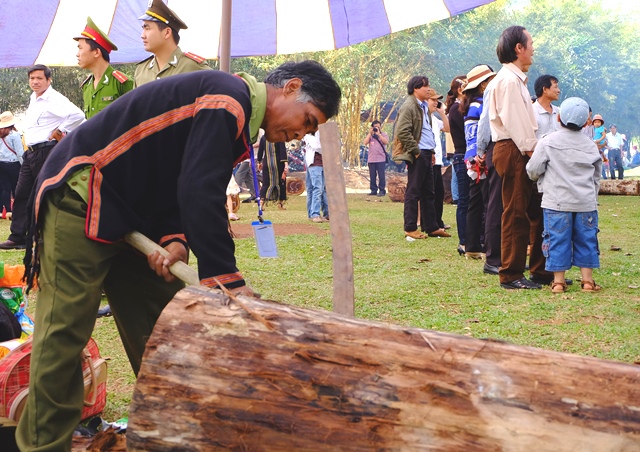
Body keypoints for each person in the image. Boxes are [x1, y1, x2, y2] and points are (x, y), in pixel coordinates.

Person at [15, 60, 341, 450]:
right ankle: (42, 446)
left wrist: (176, 239)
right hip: (80, 192)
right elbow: (198, 190)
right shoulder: (229, 99)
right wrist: (224, 278)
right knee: (63, 335)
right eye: (307, 120)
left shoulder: (234, 114)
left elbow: (175, 174)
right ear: (291, 87)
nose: (300, 134)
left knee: (161, 329)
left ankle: (175, 437)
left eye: (309, 130)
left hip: (131, 210)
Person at [0, 64, 85, 250]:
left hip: (47, 151)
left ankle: (48, 235)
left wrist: (60, 130)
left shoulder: (54, 98)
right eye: (32, 78)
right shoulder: (34, 98)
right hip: (30, 152)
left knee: (47, 193)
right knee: (21, 193)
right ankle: (18, 237)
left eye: (39, 78)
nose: (35, 82)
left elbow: (78, 115)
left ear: (49, 80)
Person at [526, 97, 602, 293]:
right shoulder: (591, 146)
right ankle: (587, 281)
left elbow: (533, 169)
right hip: (585, 203)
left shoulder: (547, 142)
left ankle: (558, 282)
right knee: (587, 239)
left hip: (556, 202)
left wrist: (541, 178)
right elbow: (596, 177)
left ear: (558, 118)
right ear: (587, 122)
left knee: (557, 239)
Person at [489, 25, 542, 290]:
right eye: (530, 43)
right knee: (516, 212)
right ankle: (510, 273)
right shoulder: (509, 81)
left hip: (518, 149)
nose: (533, 48)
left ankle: (540, 270)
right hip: (515, 149)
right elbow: (517, 124)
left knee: (535, 211)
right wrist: (535, 155)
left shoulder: (514, 79)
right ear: (518, 48)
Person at [392, 76, 450, 240]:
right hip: (418, 153)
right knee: (414, 190)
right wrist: (416, 151)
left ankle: (431, 226)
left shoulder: (423, 106)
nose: (429, 89)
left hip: (427, 152)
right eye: (426, 86)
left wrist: (431, 152)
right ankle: (410, 227)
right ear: (416, 88)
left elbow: (426, 132)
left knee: (428, 191)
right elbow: (402, 131)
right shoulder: (409, 106)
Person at [527, 74, 561, 286]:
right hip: (536, 172)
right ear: (544, 89)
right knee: (536, 221)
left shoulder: (559, 113)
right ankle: (538, 270)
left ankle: (550, 269)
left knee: (553, 221)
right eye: (555, 86)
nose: (558, 90)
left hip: (556, 174)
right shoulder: (531, 112)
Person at [460, 64, 496, 260]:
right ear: (483, 84)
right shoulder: (479, 104)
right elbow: (476, 133)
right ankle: (479, 244)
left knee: (476, 201)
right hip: (479, 157)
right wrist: (480, 155)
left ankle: (472, 245)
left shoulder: (472, 103)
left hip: (472, 156)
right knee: (484, 202)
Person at [134, 0, 211, 87]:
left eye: (147, 28)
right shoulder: (141, 71)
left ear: (167, 33)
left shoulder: (193, 67)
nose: (142, 35)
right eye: (143, 29)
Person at [74, 17, 134, 119]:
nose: (77, 54)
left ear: (96, 52)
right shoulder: (87, 86)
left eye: (80, 48)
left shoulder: (121, 83)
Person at [446, 75, 469, 253]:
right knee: (464, 200)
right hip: (462, 156)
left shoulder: (461, 108)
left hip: (464, 155)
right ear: (461, 90)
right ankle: (463, 241)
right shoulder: (456, 109)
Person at [427, 89, 450, 231]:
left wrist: (442, 113)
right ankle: (429, 222)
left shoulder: (434, 119)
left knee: (439, 192)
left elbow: (447, 128)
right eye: (433, 100)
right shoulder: (423, 118)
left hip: (438, 160)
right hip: (428, 159)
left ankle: (438, 220)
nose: (436, 103)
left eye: (437, 100)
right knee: (430, 192)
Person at [0, 111, 24, 220]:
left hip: (1, 163)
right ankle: (16, 211)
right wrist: (23, 164)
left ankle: (6, 211)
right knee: (16, 187)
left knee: (5, 188)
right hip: (13, 164)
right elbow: (19, 152)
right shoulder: (14, 135)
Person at [304, 130, 329, 223]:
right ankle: (314, 214)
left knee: (323, 189)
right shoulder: (309, 135)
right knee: (317, 189)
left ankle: (325, 214)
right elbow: (318, 147)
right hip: (314, 164)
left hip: (323, 164)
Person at [257, 136, 288, 209]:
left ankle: (261, 204)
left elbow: (260, 150)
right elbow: (282, 151)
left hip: (267, 164)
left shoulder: (264, 137)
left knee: (266, 184)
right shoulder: (280, 137)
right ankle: (280, 204)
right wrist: (286, 164)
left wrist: (259, 162)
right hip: (278, 163)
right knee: (281, 183)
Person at [363, 120, 389, 196]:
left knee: (381, 175)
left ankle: (382, 190)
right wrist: (370, 133)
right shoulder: (371, 136)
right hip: (371, 159)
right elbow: (365, 142)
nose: (377, 128)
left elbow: (386, 142)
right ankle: (373, 190)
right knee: (372, 176)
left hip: (381, 159)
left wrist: (379, 135)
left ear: (380, 127)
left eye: (378, 127)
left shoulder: (384, 134)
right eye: (375, 127)